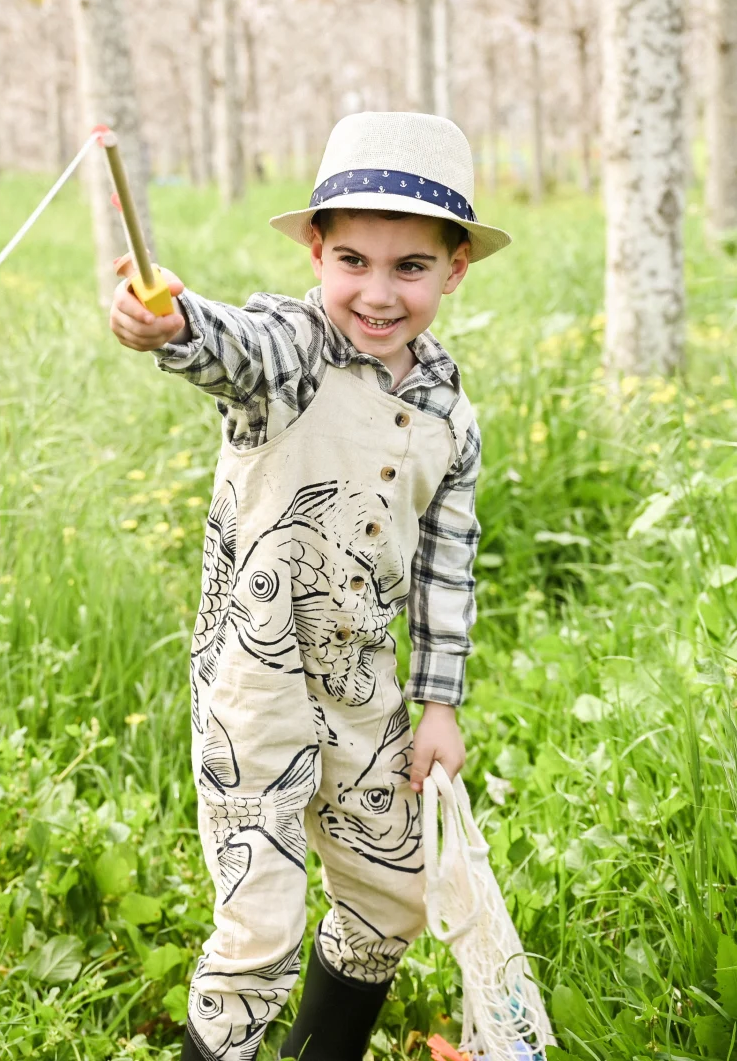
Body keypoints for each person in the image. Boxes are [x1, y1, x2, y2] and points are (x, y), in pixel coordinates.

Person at [107, 112, 512, 1061]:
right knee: (260, 929)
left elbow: (446, 565)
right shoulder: (289, 358)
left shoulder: (449, 416)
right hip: (257, 689)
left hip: (363, 689)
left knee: (392, 893)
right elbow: (229, 343)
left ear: (455, 270)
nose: (377, 293)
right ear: (318, 253)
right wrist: (171, 322)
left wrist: (439, 700)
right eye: (354, 261)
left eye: (410, 266)